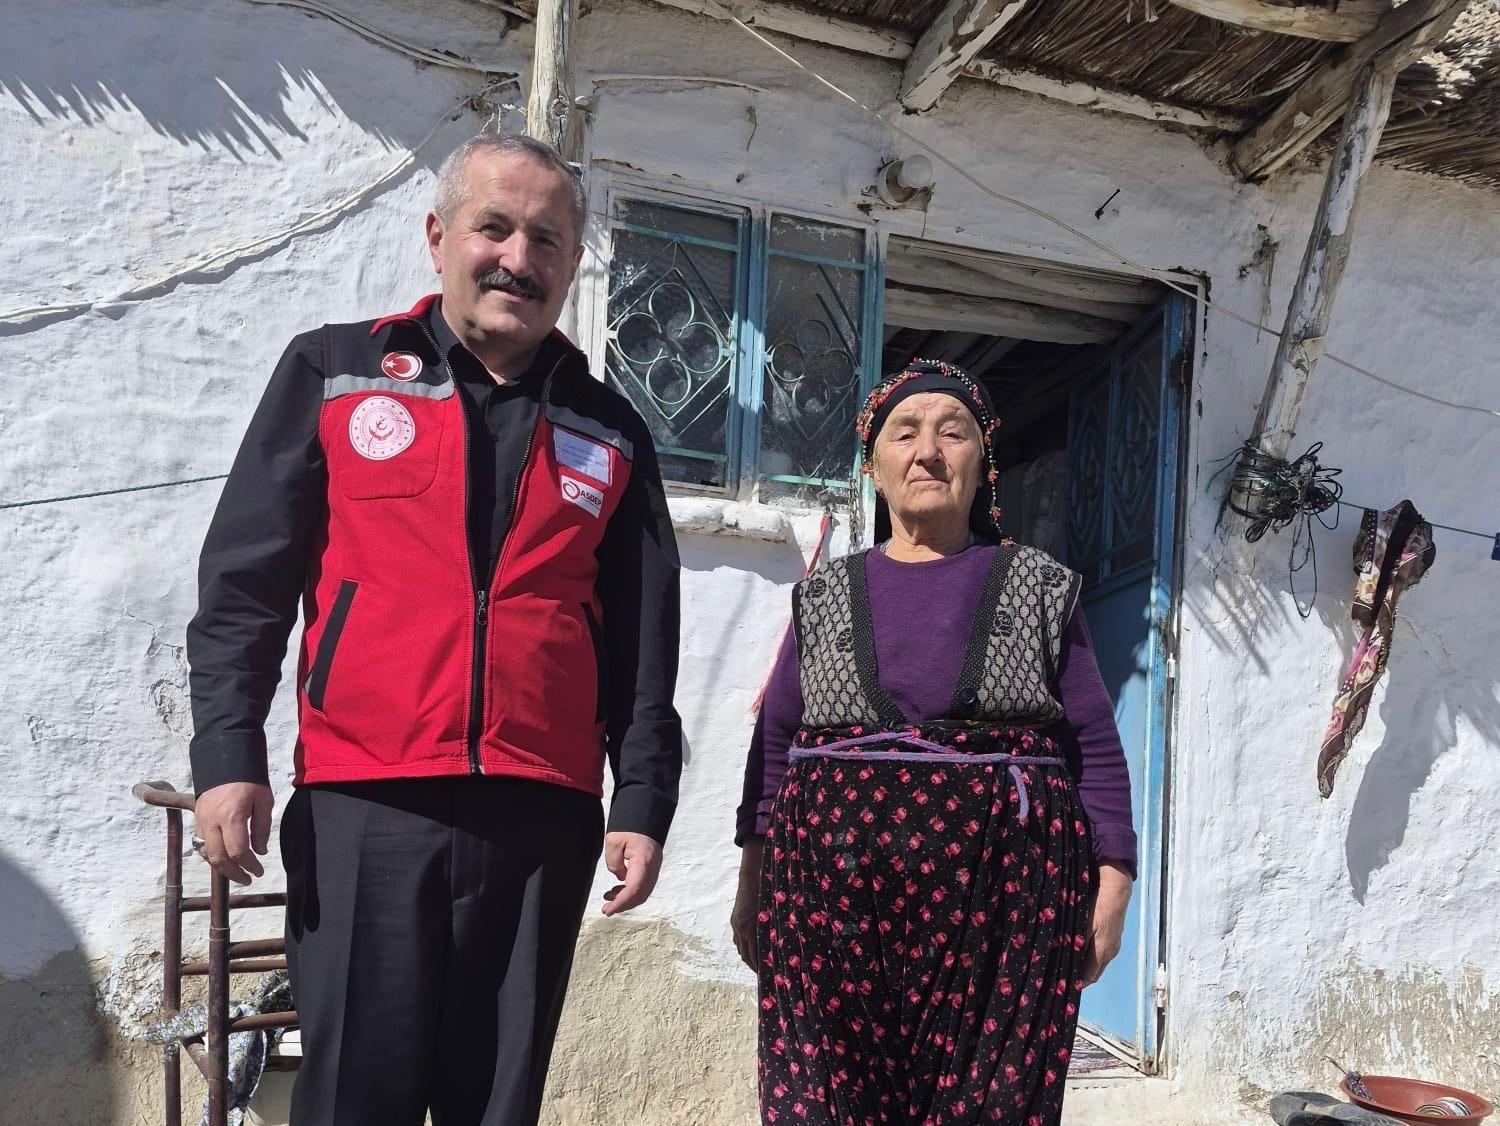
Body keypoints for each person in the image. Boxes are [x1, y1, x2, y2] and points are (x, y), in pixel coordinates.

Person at [186, 132, 683, 1126]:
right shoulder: (334, 372)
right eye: (494, 228)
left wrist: (641, 797)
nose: (518, 259)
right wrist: (227, 754)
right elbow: (246, 583)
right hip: (366, 803)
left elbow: (643, 637)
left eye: (547, 239)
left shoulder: (612, 429)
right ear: (438, 236)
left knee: (496, 1105)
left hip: (540, 815)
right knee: (349, 1100)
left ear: (572, 265)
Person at [731, 359, 1136, 1125]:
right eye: (905, 433)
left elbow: (1092, 741)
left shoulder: (1038, 587)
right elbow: (777, 740)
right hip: (830, 904)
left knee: (993, 1102)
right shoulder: (825, 597)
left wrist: (1112, 885)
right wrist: (752, 883)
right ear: (874, 468)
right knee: (831, 1103)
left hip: (1007, 902)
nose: (928, 452)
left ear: (984, 464)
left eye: (954, 433)